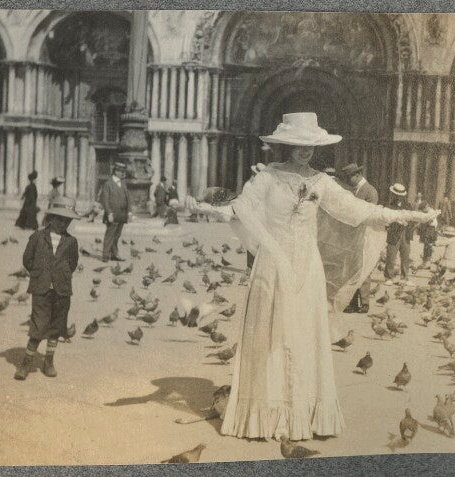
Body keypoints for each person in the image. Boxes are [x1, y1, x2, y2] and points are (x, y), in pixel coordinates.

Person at [184, 112, 438, 442]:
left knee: (302, 337)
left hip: (307, 270)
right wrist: (204, 208)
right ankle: (265, 418)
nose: (305, 151)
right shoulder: (268, 177)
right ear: (286, 145)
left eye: (310, 145)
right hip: (273, 267)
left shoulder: (321, 182)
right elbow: (240, 207)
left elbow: (360, 211)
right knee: (272, 337)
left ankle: (302, 415)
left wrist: (410, 215)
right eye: (298, 145)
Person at [13, 196, 81, 380]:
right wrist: (40, 274)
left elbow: (73, 263)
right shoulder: (37, 237)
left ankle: (49, 361)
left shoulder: (71, 241)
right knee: (38, 325)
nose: (63, 223)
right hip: (41, 288)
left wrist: (61, 275)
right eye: (60, 219)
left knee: (57, 326)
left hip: (62, 290)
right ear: (52, 218)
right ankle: (26, 363)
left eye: (67, 220)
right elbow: (27, 259)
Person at [340, 162, 379, 313]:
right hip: (353, 235)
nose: (348, 181)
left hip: (365, 234)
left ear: (356, 176)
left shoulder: (370, 191)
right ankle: (353, 302)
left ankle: (365, 302)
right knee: (352, 268)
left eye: (349, 178)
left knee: (364, 267)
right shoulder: (354, 190)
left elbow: (370, 213)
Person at [384, 183, 416, 286]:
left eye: (399, 195)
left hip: (406, 233)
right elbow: (385, 220)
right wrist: (394, 222)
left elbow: (412, 218)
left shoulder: (408, 206)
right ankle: (389, 277)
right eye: (395, 194)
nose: (397, 197)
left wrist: (408, 223)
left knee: (405, 256)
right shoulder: (389, 206)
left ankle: (405, 277)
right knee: (391, 256)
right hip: (394, 233)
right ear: (393, 194)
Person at [100, 162, 131, 262]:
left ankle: (114, 254)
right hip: (112, 214)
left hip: (122, 215)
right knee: (110, 235)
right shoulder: (108, 184)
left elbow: (128, 199)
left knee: (117, 235)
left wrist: (129, 212)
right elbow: (105, 200)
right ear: (116, 171)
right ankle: (105, 256)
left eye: (123, 171)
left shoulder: (123, 183)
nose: (123, 174)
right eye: (121, 172)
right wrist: (109, 213)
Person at [244, 163, 266, 270]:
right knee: (251, 242)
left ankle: (255, 266)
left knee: (257, 242)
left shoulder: (257, 186)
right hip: (252, 217)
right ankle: (251, 267)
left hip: (259, 217)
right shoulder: (248, 186)